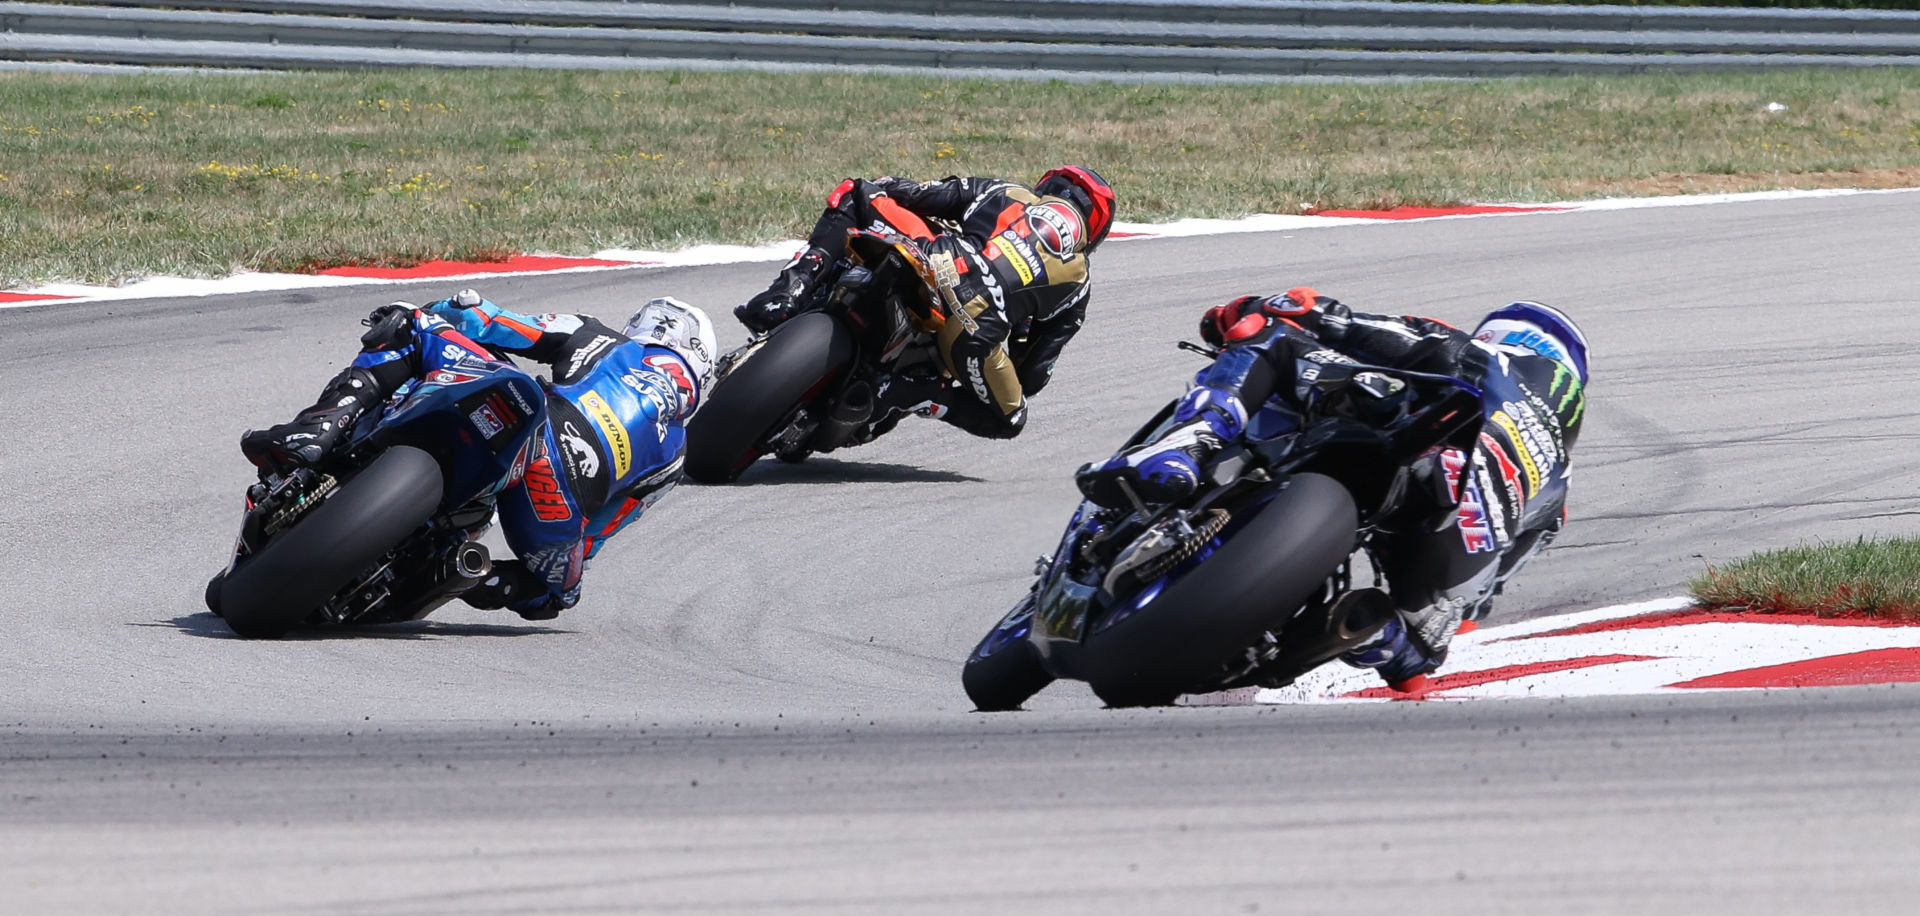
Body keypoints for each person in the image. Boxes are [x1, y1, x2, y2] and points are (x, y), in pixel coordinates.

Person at [1075, 288, 1587, 691]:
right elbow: (1481, 604)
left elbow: (1327, 316)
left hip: (1413, 451)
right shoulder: (1559, 487)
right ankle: (1374, 635)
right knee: (1425, 645)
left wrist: (1249, 311)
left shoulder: (1482, 354)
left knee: (1275, 337)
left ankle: (1190, 445)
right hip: (1452, 549)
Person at [240, 289, 716, 620]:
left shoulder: (599, 337)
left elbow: (490, 322)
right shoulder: (676, 459)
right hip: (554, 511)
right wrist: (553, 587)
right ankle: (462, 572)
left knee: (411, 323)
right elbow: (601, 531)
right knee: (556, 595)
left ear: (650, 327)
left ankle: (316, 430)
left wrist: (446, 310)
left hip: (537, 428)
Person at [735, 166, 1116, 440]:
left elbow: (915, 194)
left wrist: (884, 190)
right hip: (973, 330)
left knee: (856, 191)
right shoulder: (1079, 281)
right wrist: (1016, 329)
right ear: (1095, 231)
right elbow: (1031, 376)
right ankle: (905, 392)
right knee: (1010, 420)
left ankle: (789, 293)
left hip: (936, 258)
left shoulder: (1004, 192)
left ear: (1046, 186)